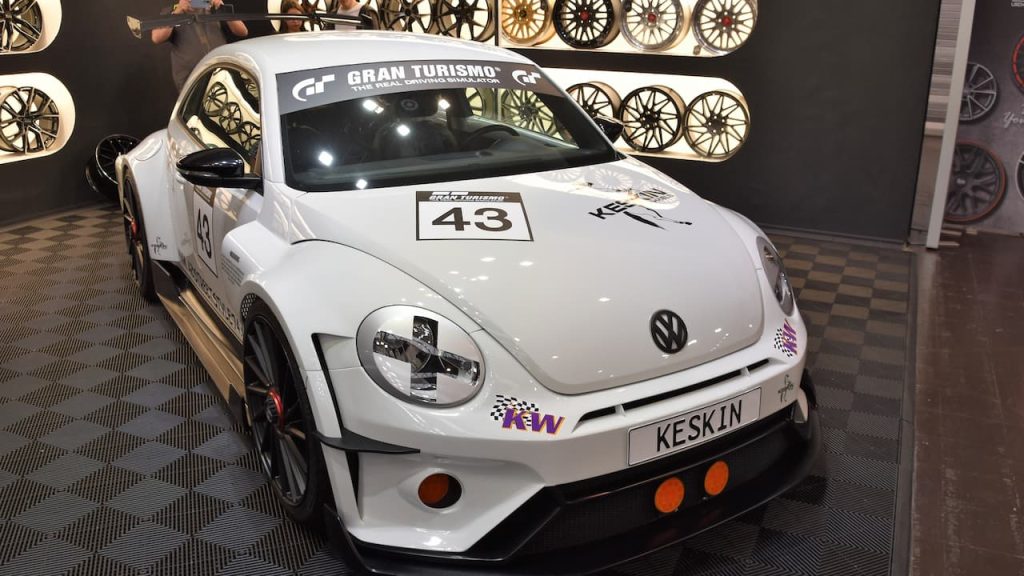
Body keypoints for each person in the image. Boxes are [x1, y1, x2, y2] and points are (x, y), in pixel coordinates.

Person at [152, 0, 249, 91]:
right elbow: (157, 37)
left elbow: (242, 31)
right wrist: (177, 12)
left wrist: (223, 9)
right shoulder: (171, 11)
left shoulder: (211, 7)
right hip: (192, 79)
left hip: (221, 72)